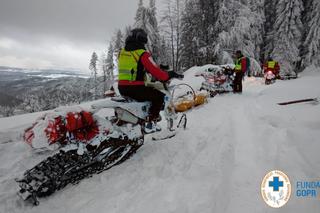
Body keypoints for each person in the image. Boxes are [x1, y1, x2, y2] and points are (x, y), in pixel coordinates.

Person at [117, 28, 181, 133]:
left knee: (147, 95)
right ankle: (151, 123)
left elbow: (135, 66)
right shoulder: (142, 53)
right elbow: (157, 73)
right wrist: (168, 74)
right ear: (142, 39)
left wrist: (158, 67)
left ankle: (138, 121)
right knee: (159, 97)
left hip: (122, 88)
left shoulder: (123, 52)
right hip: (136, 88)